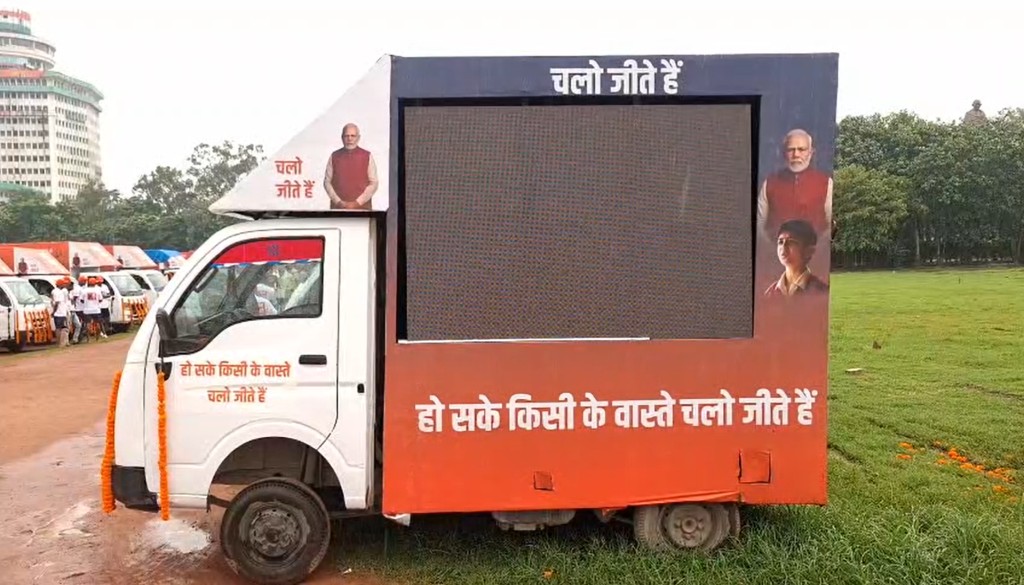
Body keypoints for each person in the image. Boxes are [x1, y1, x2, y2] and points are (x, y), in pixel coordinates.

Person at [757, 129, 833, 243]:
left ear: (811, 153)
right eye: (790, 149)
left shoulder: (826, 183)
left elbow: (830, 225)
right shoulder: (769, 183)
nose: (796, 154)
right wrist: (772, 248)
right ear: (784, 153)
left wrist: (817, 248)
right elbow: (759, 225)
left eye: (801, 149)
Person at [764, 219, 829, 298]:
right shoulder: (771, 292)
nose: (783, 247)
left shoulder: (821, 291)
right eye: (780, 242)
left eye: (791, 242)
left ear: (809, 251)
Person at [323, 122, 378, 210]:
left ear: (358, 138)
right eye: (346, 136)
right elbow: (327, 182)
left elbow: (374, 183)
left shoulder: (367, 156)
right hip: (338, 208)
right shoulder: (334, 156)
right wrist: (338, 202)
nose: (349, 139)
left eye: (353, 136)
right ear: (342, 138)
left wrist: (357, 203)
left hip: (363, 208)